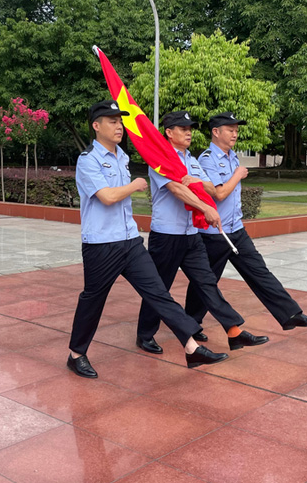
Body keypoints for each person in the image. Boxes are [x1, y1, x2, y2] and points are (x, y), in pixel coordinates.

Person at [66, 100, 229, 379]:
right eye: (112, 121)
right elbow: (106, 197)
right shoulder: (88, 160)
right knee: (93, 299)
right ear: (96, 125)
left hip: (130, 241)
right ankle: (76, 354)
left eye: (121, 121)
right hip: (101, 244)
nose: (119, 126)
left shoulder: (122, 157)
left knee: (158, 293)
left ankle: (191, 348)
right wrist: (135, 185)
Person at [136, 111, 269, 353]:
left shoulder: (192, 160)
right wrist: (205, 206)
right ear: (169, 132)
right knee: (159, 287)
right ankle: (145, 334)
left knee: (207, 283)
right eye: (183, 128)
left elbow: (205, 186)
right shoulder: (159, 159)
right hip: (166, 235)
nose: (189, 132)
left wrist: (202, 191)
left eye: (190, 128)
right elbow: (177, 189)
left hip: (191, 233)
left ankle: (233, 330)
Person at [188, 112, 307, 330]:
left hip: (237, 230)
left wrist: (236, 172)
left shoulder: (232, 156)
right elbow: (219, 194)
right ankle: (192, 324)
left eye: (236, 130)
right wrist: (238, 174)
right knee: (205, 283)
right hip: (215, 234)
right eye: (230, 130)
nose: (235, 134)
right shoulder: (206, 159)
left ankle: (291, 314)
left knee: (260, 272)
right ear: (216, 132)